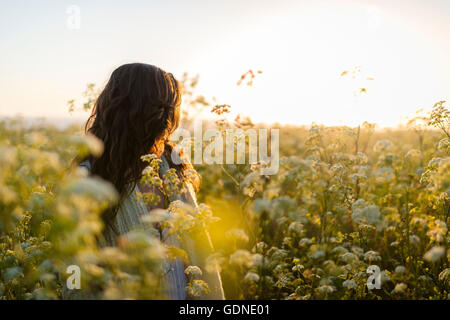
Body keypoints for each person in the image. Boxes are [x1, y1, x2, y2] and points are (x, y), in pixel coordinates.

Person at [76, 63, 224, 300]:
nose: (168, 117)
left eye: (170, 107)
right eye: (160, 106)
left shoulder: (173, 168)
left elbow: (200, 254)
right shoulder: (89, 180)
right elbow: (76, 277)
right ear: (130, 109)